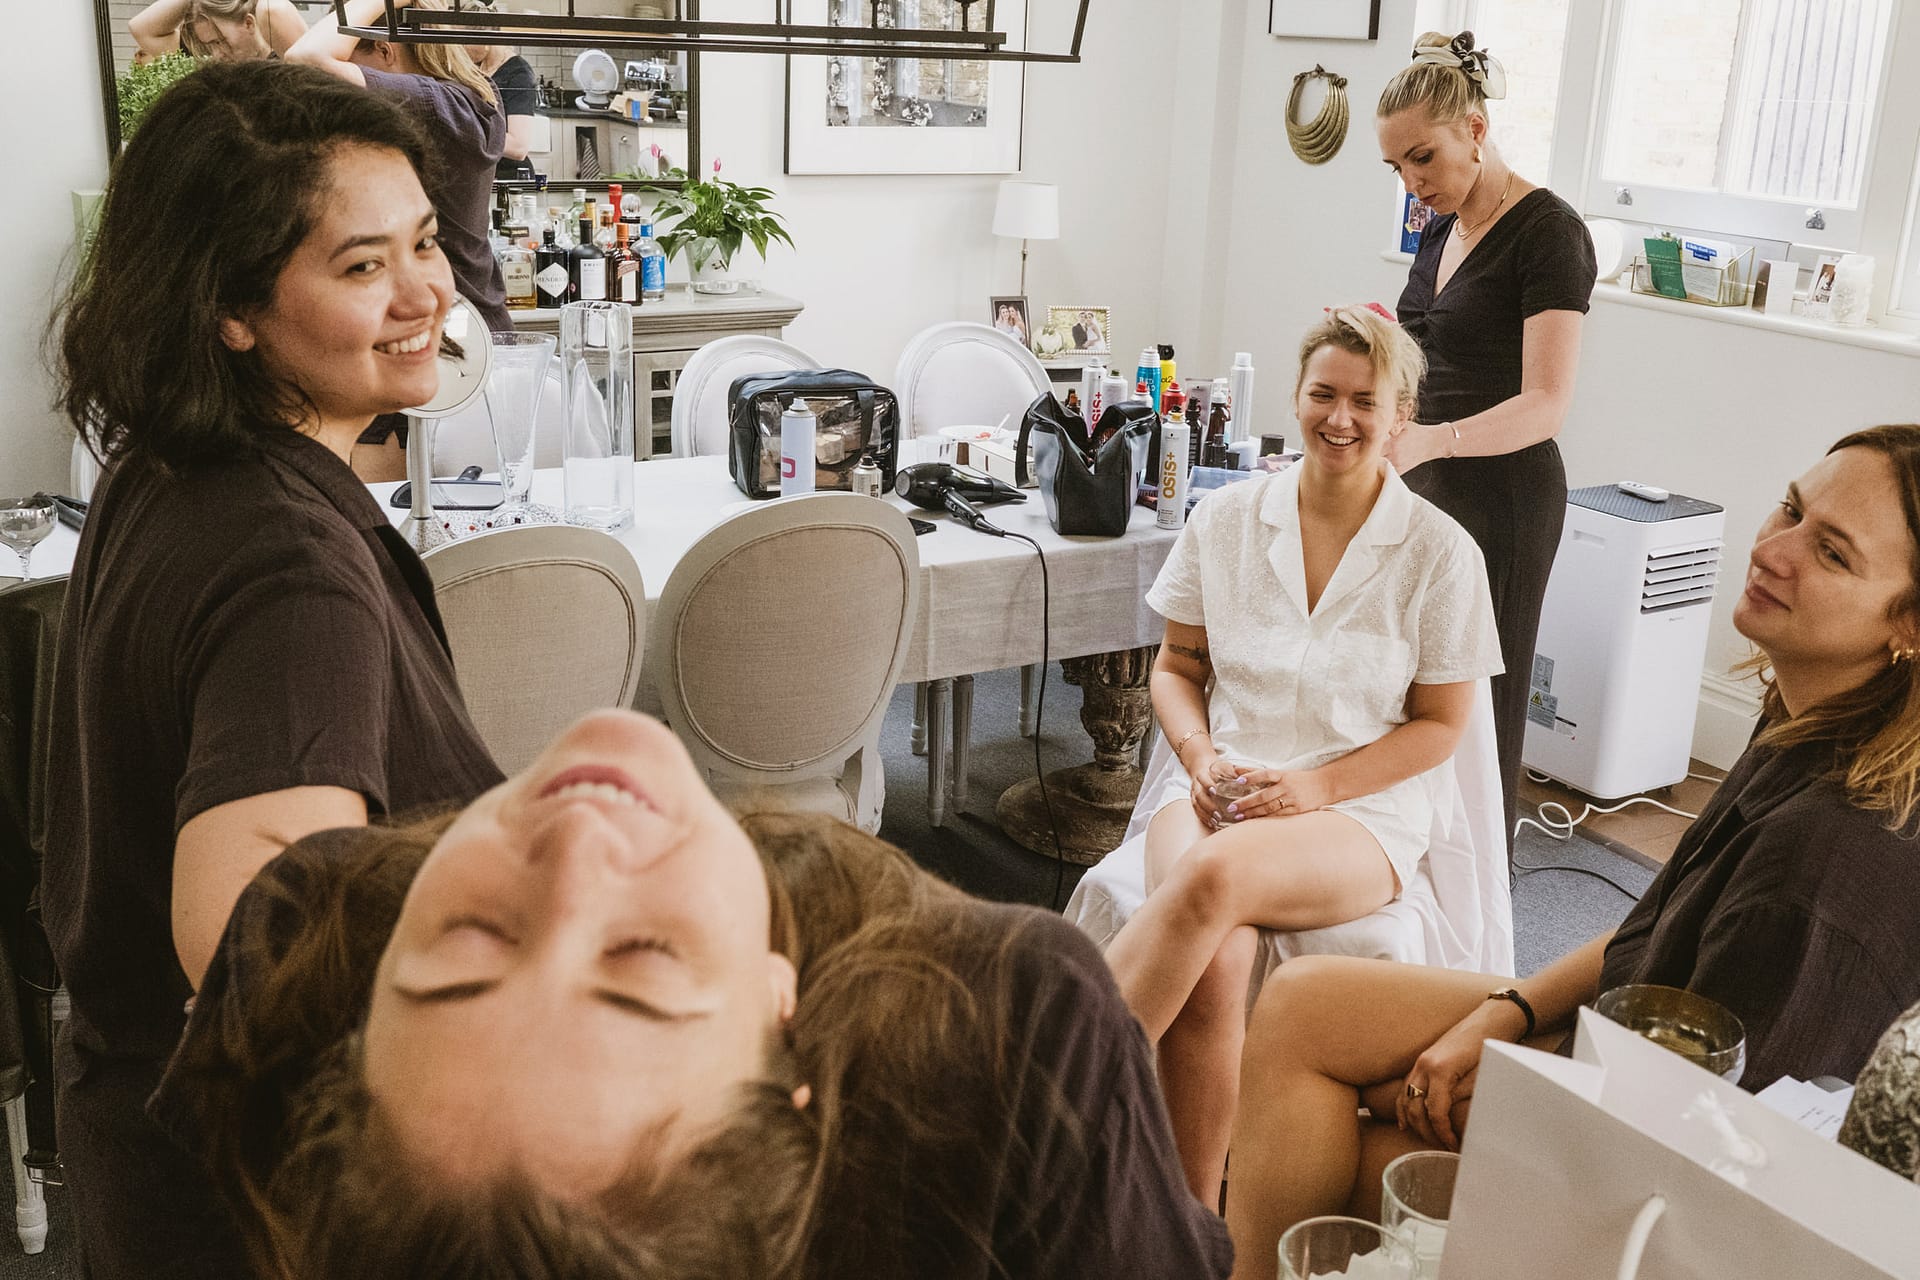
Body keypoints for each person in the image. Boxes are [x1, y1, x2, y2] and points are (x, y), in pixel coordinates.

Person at [150, 708, 1236, 1278]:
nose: (574, 849)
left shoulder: (302, 948)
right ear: (782, 1015)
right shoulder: (1013, 1031)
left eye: (470, 939)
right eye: (640, 958)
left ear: (356, 1014)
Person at [1222, 425, 1920, 1280]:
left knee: (1362, 1137)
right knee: (1304, 1005)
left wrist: (1495, 1076)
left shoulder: (1827, 864)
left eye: (1833, 554)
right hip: (1637, 1044)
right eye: (1791, 508)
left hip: (1673, 1171)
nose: (1772, 550)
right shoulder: (1815, 718)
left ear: (1909, 625)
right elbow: (1658, 924)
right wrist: (1508, 1012)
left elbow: (1706, 1158)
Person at [46, 60, 504, 1278]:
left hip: (145, 1158)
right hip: (268, 1218)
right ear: (231, 310)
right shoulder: (291, 566)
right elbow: (263, 929)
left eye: (424, 241)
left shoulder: (171, 467)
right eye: (362, 266)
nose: (424, 291)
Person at [1101, 306, 1503, 1203]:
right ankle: (1192, 1220)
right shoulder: (1229, 519)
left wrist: (1313, 786)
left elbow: (1441, 727)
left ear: (1402, 417)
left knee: (1208, 884)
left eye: (1367, 402)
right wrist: (1199, 759)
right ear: (1298, 396)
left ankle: (1065, 1113)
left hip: (1353, 813)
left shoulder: (1442, 555)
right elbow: (1177, 666)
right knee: (1216, 956)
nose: (1341, 418)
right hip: (1215, 787)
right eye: (1323, 394)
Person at [1376, 31, 1596, 849]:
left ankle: (1482, 889)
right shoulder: (1439, 226)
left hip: (1504, 496)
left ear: (1475, 128)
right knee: (1412, 686)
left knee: (1481, 704)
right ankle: (1410, 857)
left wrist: (1432, 441)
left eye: (1423, 158)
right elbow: (1426, 347)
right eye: (1396, 167)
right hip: (1429, 477)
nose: (1412, 182)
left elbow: (1545, 404)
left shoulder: (1550, 234)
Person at [290, 0, 509, 334]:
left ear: (384, 50)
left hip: (460, 327)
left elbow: (306, 61)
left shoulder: (436, 106)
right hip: (468, 319)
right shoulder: (467, 97)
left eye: (350, 61)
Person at [128, 0, 306, 63]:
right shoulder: (214, 63)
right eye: (210, 44)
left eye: (221, 41)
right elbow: (141, 29)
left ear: (248, 24)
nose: (216, 53)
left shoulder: (280, 57)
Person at [467, 40, 540, 180]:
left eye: (464, 43)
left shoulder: (519, 74)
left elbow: (519, 147)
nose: (460, 50)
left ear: (485, 37)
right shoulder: (477, 67)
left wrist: (465, 134)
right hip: (484, 174)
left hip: (509, 177)